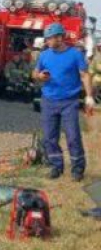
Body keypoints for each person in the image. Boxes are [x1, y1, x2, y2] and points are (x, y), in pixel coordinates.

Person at [32, 23, 96, 181]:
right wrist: (39, 76)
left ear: (60, 37)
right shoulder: (44, 55)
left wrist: (89, 96)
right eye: (47, 39)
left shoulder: (75, 55)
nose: (48, 42)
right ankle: (56, 166)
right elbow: (35, 72)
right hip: (48, 101)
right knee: (49, 137)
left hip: (69, 102)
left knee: (73, 136)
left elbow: (85, 75)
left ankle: (78, 169)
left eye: (50, 39)